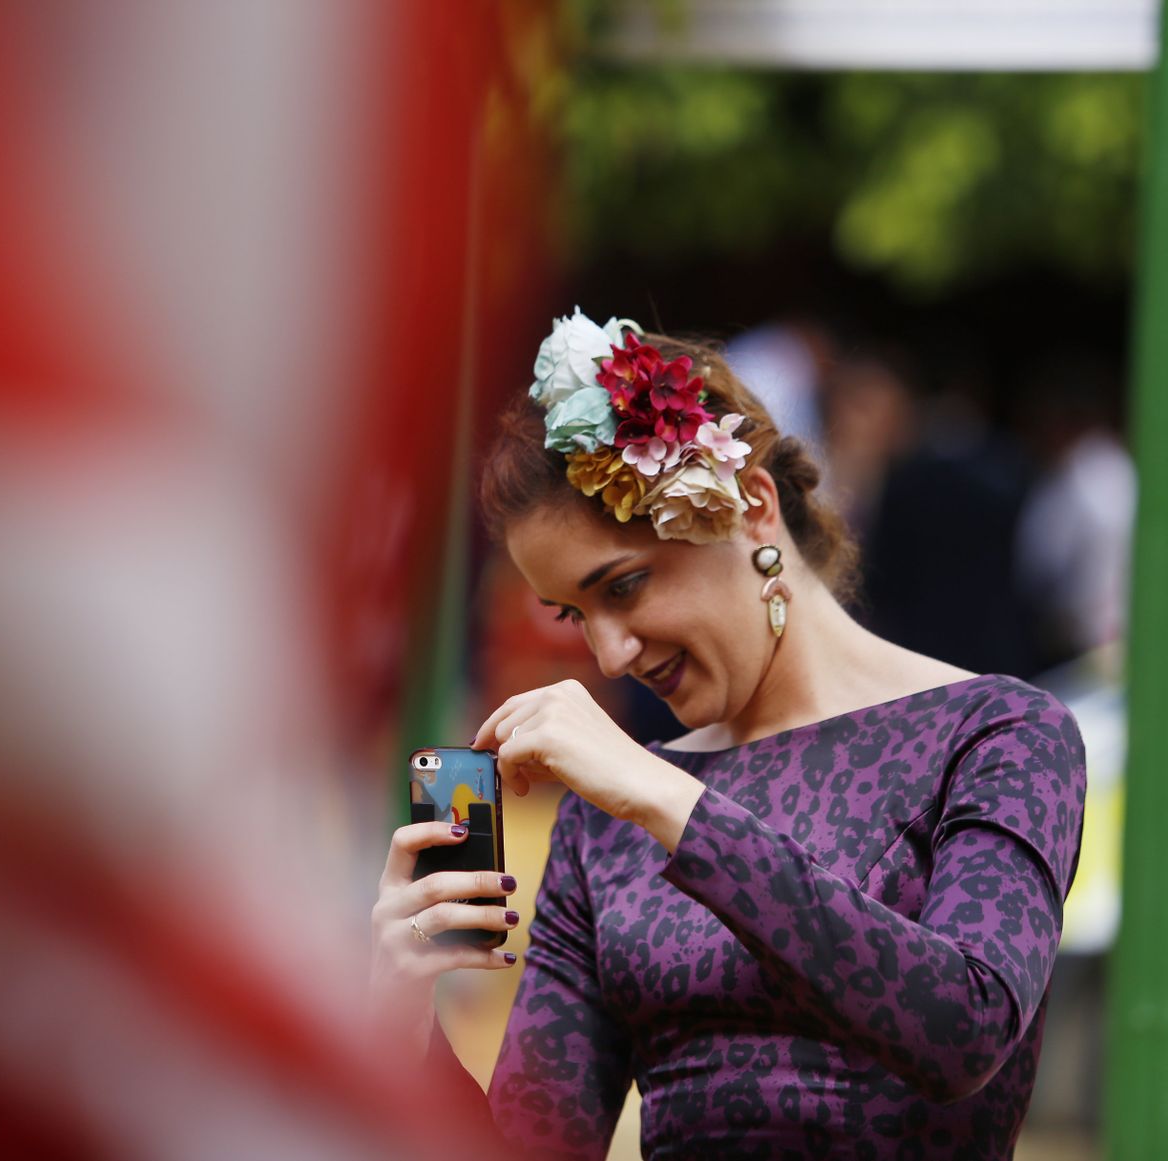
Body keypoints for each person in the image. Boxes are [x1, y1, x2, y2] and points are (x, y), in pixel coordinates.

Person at [368, 309, 1086, 1159]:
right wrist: (404, 1024)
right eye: (574, 614)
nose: (608, 652)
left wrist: (674, 802)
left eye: (626, 586)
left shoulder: (1000, 731)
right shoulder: (607, 818)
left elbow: (962, 1026)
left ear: (750, 506)